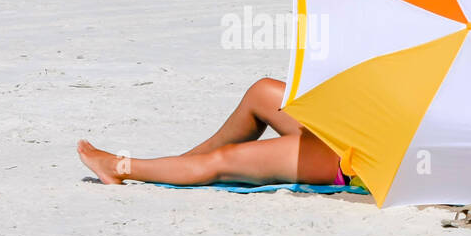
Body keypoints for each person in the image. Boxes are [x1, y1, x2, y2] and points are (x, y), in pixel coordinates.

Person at [78, 78, 345, 188]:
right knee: (262, 92)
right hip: (349, 128)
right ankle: (184, 164)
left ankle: (117, 167)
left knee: (224, 160)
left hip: (350, 159)